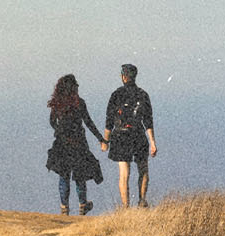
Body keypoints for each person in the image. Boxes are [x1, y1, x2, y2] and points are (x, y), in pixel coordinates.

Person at [45, 74, 104, 215]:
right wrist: (100, 138)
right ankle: (82, 204)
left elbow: (52, 122)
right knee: (79, 176)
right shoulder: (80, 103)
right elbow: (88, 122)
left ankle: (64, 208)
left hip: (62, 144)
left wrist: (59, 131)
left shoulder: (57, 103)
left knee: (64, 175)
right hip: (79, 143)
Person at [102, 63, 157, 208]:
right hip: (138, 135)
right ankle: (142, 200)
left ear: (123, 77)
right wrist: (152, 142)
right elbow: (148, 121)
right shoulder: (143, 95)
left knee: (124, 173)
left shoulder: (116, 94)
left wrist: (105, 141)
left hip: (120, 136)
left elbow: (109, 120)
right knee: (143, 169)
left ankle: (125, 207)